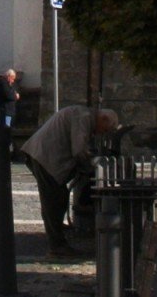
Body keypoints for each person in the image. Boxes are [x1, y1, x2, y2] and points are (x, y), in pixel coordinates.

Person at [20, 105, 120, 257]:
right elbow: (79, 150)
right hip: (45, 157)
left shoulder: (84, 116)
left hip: (44, 155)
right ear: (103, 119)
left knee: (59, 196)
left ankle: (58, 235)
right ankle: (57, 245)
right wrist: (91, 167)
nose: (102, 133)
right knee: (53, 200)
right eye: (104, 130)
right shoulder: (84, 118)